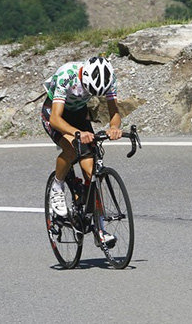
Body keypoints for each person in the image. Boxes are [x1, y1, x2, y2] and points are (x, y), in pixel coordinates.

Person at [41, 56, 122, 244]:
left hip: (79, 114)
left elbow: (114, 112)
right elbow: (55, 119)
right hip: (55, 114)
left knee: (91, 172)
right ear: (84, 77)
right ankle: (57, 187)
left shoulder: (110, 78)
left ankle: (100, 230)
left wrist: (114, 127)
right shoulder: (66, 75)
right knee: (71, 149)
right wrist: (77, 133)